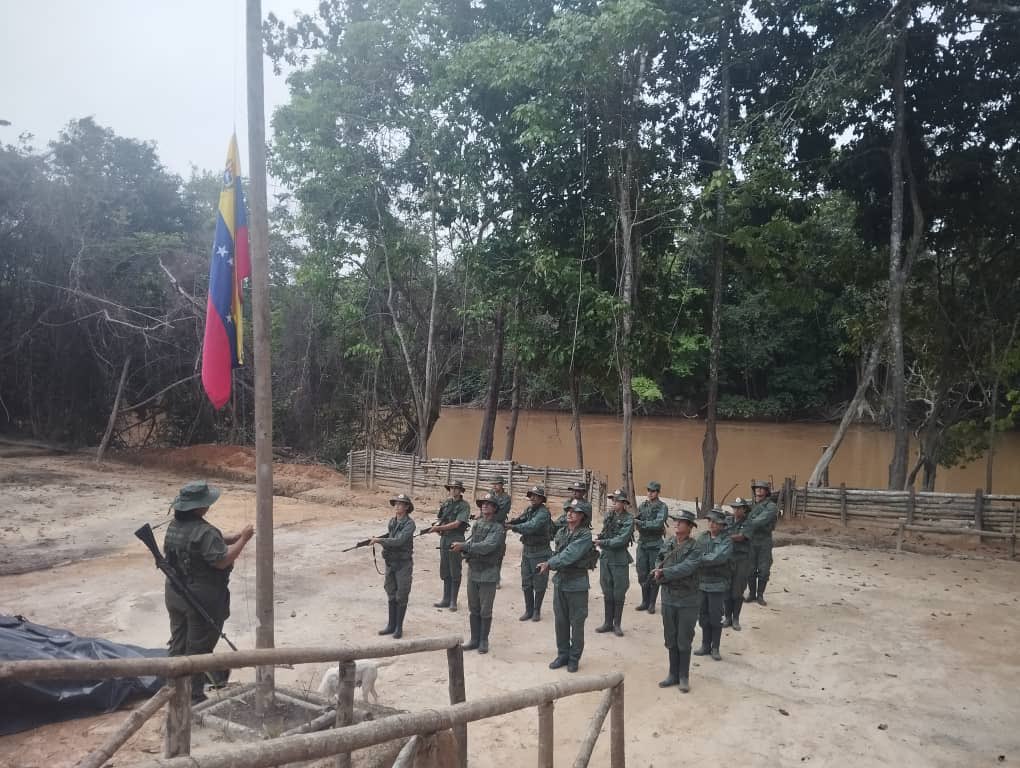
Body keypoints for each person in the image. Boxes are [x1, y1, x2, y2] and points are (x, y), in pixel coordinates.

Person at [163, 481, 253, 703]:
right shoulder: (204, 532)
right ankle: (193, 697)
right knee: (198, 647)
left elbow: (209, 541)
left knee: (178, 644)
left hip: (175, 593)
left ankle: (174, 689)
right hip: (200, 598)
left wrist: (233, 537)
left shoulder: (175, 526)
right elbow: (222, 560)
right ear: (199, 507)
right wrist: (243, 540)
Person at [539, 499, 594, 673]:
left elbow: (570, 555)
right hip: (561, 581)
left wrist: (549, 563)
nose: (569, 513)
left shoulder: (585, 535)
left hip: (577, 583)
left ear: (582, 516)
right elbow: (557, 551)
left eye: (574, 511)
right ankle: (562, 654)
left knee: (576, 623)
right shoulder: (562, 532)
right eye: (568, 510)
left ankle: (574, 657)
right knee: (560, 622)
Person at [652, 510, 701, 694]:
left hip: (688, 600)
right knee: (670, 638)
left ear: (689, 527)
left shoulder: (695, 548)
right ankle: (672, 674)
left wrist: (665, 573)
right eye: (676, 521)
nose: (677, 524)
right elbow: (660, 558)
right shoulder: (669, 542)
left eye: (682, 522)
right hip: (669, 598)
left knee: (684, 639)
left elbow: (687, 568)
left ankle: (684, 676)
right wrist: (658, 569)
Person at [452, 493, 506, 653]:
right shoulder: (477, 524)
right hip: (474, 570)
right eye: (483, 503)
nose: (484, 506)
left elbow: (487, 546)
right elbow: (473, 542)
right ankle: (474, 639)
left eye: (489, 504)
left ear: (495, 508)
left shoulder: (498, 528)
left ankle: (484, 640)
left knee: (485, 609)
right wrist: (464, 551)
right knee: (473, 608)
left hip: (488, 572)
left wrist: (464, 547)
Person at [506, 486, 553, 621]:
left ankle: (537, 611)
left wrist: (512, 527)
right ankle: (529, 610)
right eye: (531, 495)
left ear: (541, 499)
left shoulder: (543, 513)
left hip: (540, 552)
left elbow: (531, 526)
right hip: (527, 551)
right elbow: (521, 519)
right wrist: (509, 522)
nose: (532, 498)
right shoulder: (530, 509)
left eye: (536, 496)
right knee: (526, 581)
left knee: (539, 582)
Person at [373, 493, 416, 639]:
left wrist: (380, 540)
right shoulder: (392, 521)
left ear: (407, 507)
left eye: (401, 504)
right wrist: (378, 538)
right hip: (391, 562)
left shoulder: (410, 524)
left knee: (401, 595)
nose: (397, 506)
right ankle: (391, 625)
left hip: (403, 564)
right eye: (396, 503)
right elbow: (390, 535)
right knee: (391, 593)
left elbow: (399, 541)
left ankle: (399, 627)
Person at [693, 508, 732, 661]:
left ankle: (715, 647)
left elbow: (717, 558)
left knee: (715, 616)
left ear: (722, 525)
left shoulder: (726, 540)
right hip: (702, 583)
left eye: (715, 522)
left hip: (717, 584)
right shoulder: (702, 537)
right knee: (703, 616)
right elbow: (693, 553)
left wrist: (700, 559)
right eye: (710, 521)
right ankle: (705, 645)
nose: (711, 524)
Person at [593, 489, 634, 637]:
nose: (613, 503)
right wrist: (600, 537)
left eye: (616, 500)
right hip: (606, 558)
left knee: (619, 591)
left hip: (619, 558)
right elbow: (605, 531)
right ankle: (607, 623)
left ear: (624, 503)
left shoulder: (629, 519)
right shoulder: (609, 516)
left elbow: (621, 540)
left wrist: (602, 541)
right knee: (607, 590)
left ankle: (617, 624)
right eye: (613, 500)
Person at [426, 480, 471, 612]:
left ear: (461, 490)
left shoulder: (464, 506)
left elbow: (457, 523)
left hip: (456, 538)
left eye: (456, 488)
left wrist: (439, 527)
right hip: (444, 538)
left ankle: (453, 601)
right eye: (451, 488)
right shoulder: (446, 503)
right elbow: (441, 518)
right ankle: (445, 599)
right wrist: (438, 528)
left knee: (455, 569)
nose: (453, 490)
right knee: (445, 569)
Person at [634, 480, 669, 614]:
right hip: (643, 543)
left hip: (655, 544)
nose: (650, 493)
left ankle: (652, 603)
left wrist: (642, 524)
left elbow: (658, 524)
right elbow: (636, 520)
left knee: (654, 573)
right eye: (648, 490)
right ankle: (645, 601)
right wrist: (640, 523)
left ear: (658, 492)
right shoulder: (643, 505)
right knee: (642, 573)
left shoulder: (662, 507)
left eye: (653, 491)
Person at [745, 479, 779, 605]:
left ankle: (760, 595)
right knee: (750, 569)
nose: (758, 490)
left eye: (761, 488)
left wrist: (747, 522)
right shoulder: (750, 506)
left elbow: (760, 521)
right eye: (756, 488)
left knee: (764, 569)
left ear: (766, 491)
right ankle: (752, 594)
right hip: (751, 540)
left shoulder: (771, 506)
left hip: (764, 540)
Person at [723, 497, 752, 630]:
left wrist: (726, 538)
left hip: (742, 560)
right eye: (734, 507)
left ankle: (736, 619)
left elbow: (741, 536)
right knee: (726, 589)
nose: (736, 510)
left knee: (737, 591)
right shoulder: (727, 520)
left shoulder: (748, 522)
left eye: (739, 508)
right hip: (728, 558)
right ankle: (727, 617)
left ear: (744, 509)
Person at [489, 477, 512, 588]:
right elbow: (484, 508)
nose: (494, 486)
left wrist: (489, 512)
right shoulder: (490, 495)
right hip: (487, 526)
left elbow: (501, 512)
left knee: (498, 553)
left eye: (497, 484)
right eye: (493, 484)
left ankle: (496, 578)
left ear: (502, 485)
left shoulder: (506, 498)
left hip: (499, 526)